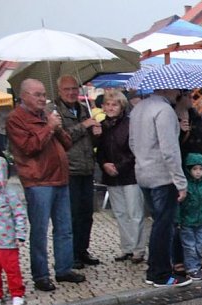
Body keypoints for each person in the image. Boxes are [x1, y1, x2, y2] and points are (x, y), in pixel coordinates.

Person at [7, 78, 85, 292]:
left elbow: (67, 143)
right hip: (38, 180)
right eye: (37, 94)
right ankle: (40, 275)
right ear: (24, 96)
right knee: (40, 231)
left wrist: (57, 128)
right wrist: (49, 127)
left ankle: (64, 269)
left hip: (60, 177)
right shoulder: (16, 118)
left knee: (64, 229)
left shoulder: (46, 116)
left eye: (43, 94)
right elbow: (29, 147)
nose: (43, 98)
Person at [129, 87, 192, 288]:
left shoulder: (139, 108)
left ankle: (154, 270)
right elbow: (169, 150)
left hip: (143, 172)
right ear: (170, 89)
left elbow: (132, 143)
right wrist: (181, 182)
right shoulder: (164, 111)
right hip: (162, 176)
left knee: (159, 223)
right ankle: (160, 273)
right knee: (163, 226)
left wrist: (143, 158)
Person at [95, 89, 147, 264]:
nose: (110, 108)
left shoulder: (130, 124)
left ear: (121, 106)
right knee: (120, 213)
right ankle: (127, 247)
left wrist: (119, 166)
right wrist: (104, 164)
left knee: (135, 213)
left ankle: (138, 249)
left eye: (114, 104)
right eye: (107, 104)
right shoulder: (102, 126)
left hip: (130, 175)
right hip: (111, 176)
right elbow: (100, 151)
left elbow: (134, 150)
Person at [55, 75, 101, 268]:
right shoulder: (55, 112)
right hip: (70, 170)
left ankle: (82, 250)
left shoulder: (84, 109)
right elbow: (62, 137)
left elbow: (90, 141)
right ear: (59, 91)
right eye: (67, 89)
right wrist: (84, 126)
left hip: (86, 168)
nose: (72, 92)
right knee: (72, 215)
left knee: (86, 214)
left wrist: (97, 133)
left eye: (74, 88)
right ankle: (71, 254)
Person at [0, 156, 27, 305]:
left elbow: (19, 213)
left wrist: (20, 233)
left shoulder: (10, 193)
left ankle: (17, 293)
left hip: (7, 240)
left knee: (12, 269)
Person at [177, 153, 202, 281]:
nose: (198, 172)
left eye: (200, 169)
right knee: (189, 246)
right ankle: (192, 268)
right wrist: (177, 220)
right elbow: (179, 205)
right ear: (189, 170)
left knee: (199, 244)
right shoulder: (185, 187)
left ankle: (197, 266)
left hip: (200, 222)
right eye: (194, 169)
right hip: (187, 222)